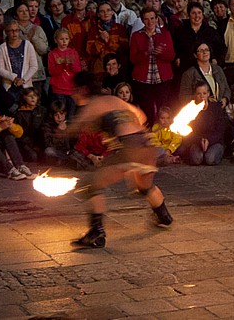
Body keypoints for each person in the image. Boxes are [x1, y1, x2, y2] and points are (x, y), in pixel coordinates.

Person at [70, 72, 172, 248]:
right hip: (148, 147)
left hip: (130, 149)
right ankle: (163, 215)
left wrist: (62, 130)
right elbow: (141, 116)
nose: (73, 95)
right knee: (144, 186)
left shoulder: (94, 104)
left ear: (83, 89)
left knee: (89, 185)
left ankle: (96, 233)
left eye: (75, 91)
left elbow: (72, 129)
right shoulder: (115, 101)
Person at [130, 7, 176, 120]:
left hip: (162, 78)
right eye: (146, 19)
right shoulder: (137, 35)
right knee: (147, 108)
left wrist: (161, 53)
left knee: (163, 107)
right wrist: (146, 53)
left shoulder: (165, 34)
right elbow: (133, 59)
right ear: (142, 20)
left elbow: (172, 56)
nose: (150, 22)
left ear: (156, 19)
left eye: (152, 18)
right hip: (143, 79)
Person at [181, 81, 226, 166]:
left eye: (204, 93)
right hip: (198, 140)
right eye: (199, 94)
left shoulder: (216, 108)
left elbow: (220, 129)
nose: (202, 96)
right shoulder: (191, 109)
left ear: (208, 94)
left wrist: (209, 140)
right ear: (195, 95)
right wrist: (200, 140)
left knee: (210, 159)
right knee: (196, 159)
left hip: (214, 141)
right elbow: (189, 131)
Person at [0, 20, 39, 101]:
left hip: (26, 85)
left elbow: (34, 66)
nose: (14, 33)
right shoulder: (2, 48)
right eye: (11, 30)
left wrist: (23, 79)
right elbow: (0, 69)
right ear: (6, 32)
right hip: (10, 87)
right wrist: (14, 78)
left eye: (16, 30)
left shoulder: (27, 45)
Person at [14, 88, 46, 162]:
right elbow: (20, 134)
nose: (33, 98)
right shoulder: (19, 113)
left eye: (35, 95)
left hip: (40, 141)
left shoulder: (42, 110)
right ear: (24, 97)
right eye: (30, 96)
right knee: (33, 157)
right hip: (26, 142)